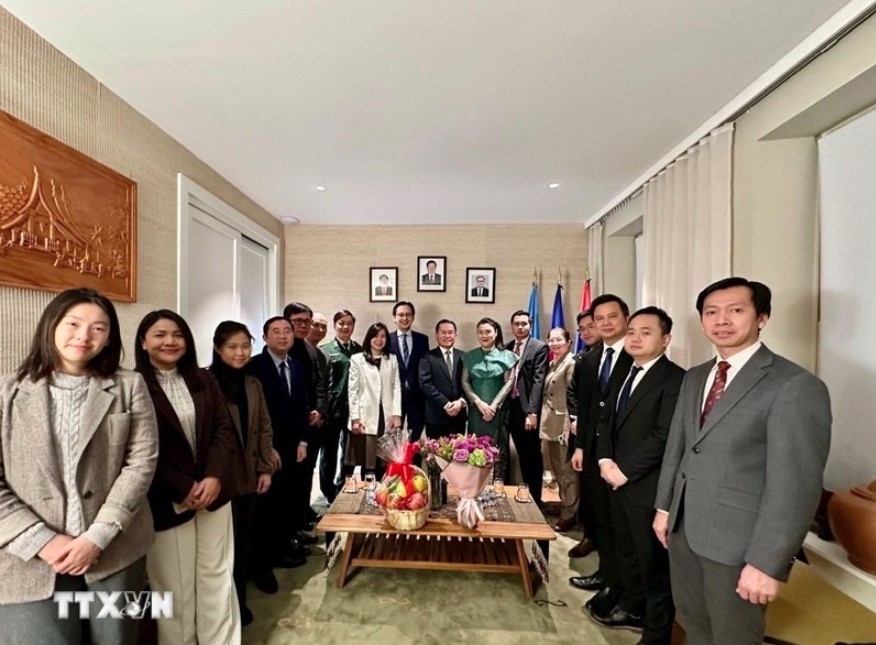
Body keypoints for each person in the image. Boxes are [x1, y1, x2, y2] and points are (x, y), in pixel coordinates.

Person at [654, 278, 831, 645]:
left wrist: (768, 562)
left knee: (734, 636)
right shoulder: (695, 377)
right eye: (711, 312)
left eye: (736, 310)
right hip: (684, 532)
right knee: (694, 626)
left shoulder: (793, 385)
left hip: (738, 544)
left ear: (762, 317)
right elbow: (680, 448)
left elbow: (795, 486)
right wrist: (664, 507)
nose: (722, 320)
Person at [0, 288, 157, 644]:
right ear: (51, 325)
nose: (84, 336)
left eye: (99, 328)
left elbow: (140, 464)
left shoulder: (129, 385)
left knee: (117, 638)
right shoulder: (6, 391)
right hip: (27, 559)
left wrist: (97, 537)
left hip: (117, 551)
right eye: (74, 323)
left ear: (109, 338)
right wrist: (43, 541)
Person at [135, 309, 243, 644]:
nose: (170, 341)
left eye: (178, 335)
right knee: (174, 585)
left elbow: (224, 431)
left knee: (218, 575)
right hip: (168, 499)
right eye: (160, 335)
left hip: (214, 493)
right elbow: (139, 448)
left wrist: (213, 477)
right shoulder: (132, 384)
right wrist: (184, 487)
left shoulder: (203, 379)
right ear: (143, 341)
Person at [592, 307, 684, 642]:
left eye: (646, 332)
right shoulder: (624, 373)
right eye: (631, 332)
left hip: (647, 486)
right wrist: (604, 460)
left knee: (653, 563)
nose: (635, 337)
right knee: (626, 550)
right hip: (614, 479)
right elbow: (605, 421)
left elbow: (665, 435)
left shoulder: (675, 379)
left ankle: (656, 632)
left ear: (665, 340)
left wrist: (625, 471)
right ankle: (630, 605)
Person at [568, 294, 633, 619]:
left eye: (612, 317)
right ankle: (606, 575)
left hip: (623, 456)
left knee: (622, 523)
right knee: (600, 517)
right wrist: (580, 447)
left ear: (626, 317)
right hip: (592, 452)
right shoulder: (590, 359)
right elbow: (586, 408)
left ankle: (622, 588)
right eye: (599, 319)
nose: (605, 323)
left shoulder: (636, 356)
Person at [209, 321, 276, 627]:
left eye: (245, 346)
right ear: (218, 349)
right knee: (220, 547)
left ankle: (239, 600)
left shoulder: (252, 383)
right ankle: (221, 605)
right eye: (232, 347)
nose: (239, 353)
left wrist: (265, 468)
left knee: (244, 537)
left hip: (250, 476)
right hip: (220, 480)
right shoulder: (205, 382)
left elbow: (264, 427)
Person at [246, 317, 311, 595]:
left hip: (292, 446)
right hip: (265, 448)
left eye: (287, 331)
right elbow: (254, 414)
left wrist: (303, 440)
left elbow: (302, 406)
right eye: (276, 332)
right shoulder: (255, 367)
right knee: (265, 507)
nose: (283, 336)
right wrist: (265, 447)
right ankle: (262, 565)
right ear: (265, 337)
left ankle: (284, 547)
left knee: (286, 499)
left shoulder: (295, 366)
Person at [284, 302, 328, 530]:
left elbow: (320, 384)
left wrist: (319, 410)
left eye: (306, 321)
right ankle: (292, 528)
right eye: (298, 321)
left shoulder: (311, 350)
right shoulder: (282, 349)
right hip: (288, 427)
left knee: (305, 475)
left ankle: (300, 519)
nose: (303, 325)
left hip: (310, 425)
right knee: (290, 481)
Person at [460, 317, 517, 481]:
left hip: (498, 412)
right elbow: (465, 381)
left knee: (498, 453)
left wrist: (493, 406)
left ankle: (498, 491)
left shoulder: (508, 356)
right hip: (476, 412)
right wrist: (478, 402)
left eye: (488, 331)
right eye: (480, 332)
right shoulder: (469, 356)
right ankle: (475, 489)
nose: (484, 335)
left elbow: (509, 382)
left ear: (496, 333)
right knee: (474, 451)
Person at [505, 310, 549, 506]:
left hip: (527, 411)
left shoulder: (539, 347)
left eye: (524, 323)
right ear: (512, 326)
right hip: (509, 409)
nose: (520, 327)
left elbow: (539, 381)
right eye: (517, 324)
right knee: (519, 454)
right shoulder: (507, 348)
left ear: (530, 325)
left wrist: (532, 412)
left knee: (532, 456)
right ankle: (519, 494)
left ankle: (536, 501)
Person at [346, 323, 402, 477]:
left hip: (387, 415)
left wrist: (397, 414)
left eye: (383, 336)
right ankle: (368, 495)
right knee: (368, 462)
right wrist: (355, 418)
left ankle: (383, 496)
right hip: (366, 415)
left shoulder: (392, 359)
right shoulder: (357, 359)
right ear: (369, 338)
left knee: (385, 460)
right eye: (376, 336)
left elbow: (396, 387)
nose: (379, 339)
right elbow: (353, 391)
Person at [320, 310, 362, 502]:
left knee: (349, 453)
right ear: (335, 325)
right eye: (341, 323)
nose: (345, 327)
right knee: (328, 453)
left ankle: (342, 486)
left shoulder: (360, 350)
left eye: (349, 324)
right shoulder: (325, 350)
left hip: (353, 411)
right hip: (332, 411)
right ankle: (328, 492)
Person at [540, 327, 579, 533]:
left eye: (558, 340)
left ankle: (570, 515)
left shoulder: (571, 363)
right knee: (556, 469)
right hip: (550, 424)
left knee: (567, 473)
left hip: (563, 425)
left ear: (569, 341)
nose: (554, 343)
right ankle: (564, 505)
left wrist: (568, 427)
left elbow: (573, 397)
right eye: (551, 340)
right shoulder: (554, 363)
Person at [388, 301, 430, 441]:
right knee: (393, 437)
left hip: (416, 396)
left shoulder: (422, 340)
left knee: (415, 439)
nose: (405, 318)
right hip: (394, 397)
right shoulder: (387, 339)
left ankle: (413, 463)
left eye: (408, 315)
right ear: (394, 317)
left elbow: (425, 367)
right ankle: (395, 463)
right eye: (400, 315)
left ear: (413, 317)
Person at [419, 319, 467, 439]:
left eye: (450, 332)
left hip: (458, 417)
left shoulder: (464, 356)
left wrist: (461, 402)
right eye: (443, 332)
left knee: (459, 454)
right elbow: (426, 384)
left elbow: (469, 383)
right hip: (436, 416)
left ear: (455, 335)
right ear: (436, 335)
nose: (447, 336)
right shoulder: (427, 357)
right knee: (436, 455)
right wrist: (445, 404)